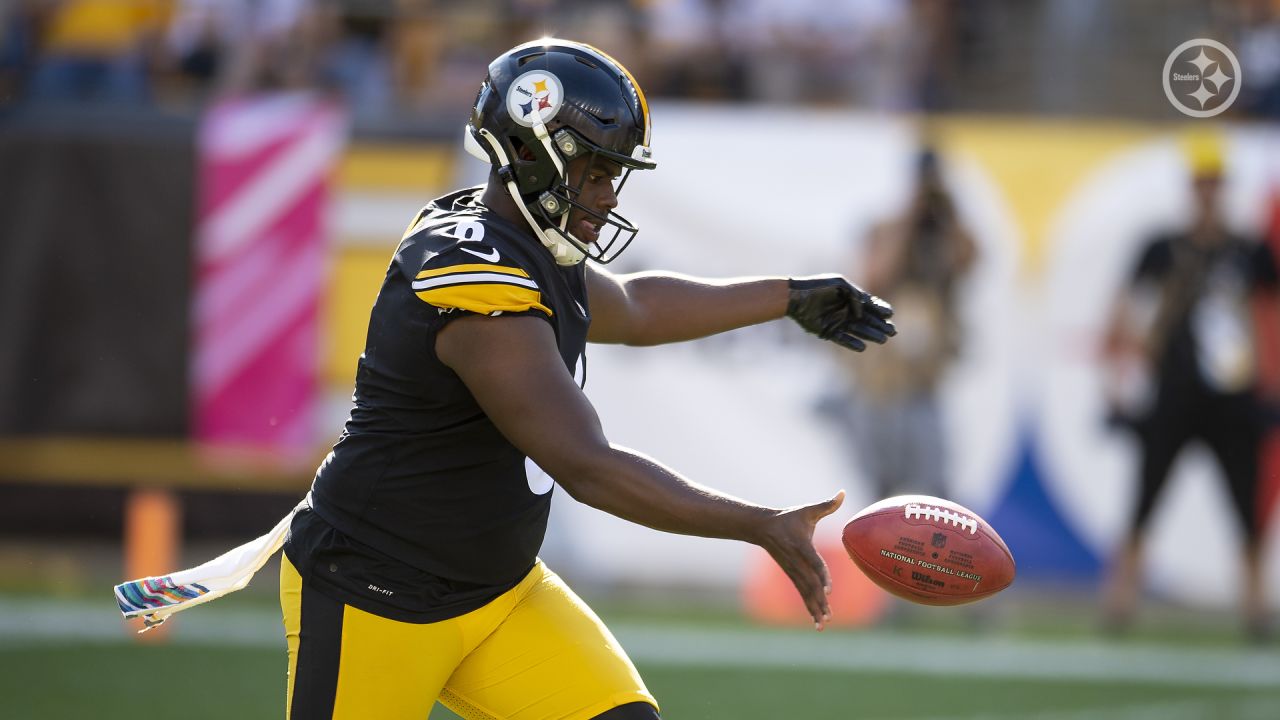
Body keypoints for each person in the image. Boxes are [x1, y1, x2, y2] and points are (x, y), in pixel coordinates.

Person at [276, 39, 895, 720]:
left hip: (497, 593)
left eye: (612, 175)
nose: (606, 195)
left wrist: (788, 295)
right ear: (531, 153)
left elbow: (634, 306)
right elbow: (586, 465)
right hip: (376, 588)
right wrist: (758, 525)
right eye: (593, 172)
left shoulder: (530, 235)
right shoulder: (480, 289)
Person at [1101, 133, 1275, 641]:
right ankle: (1120, 598)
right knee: (1145, 498)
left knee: (1246, 505)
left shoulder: (1247, 251)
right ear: (1190, 188)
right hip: (1173, 393)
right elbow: (1124, 311)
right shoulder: (1163, 248)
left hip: (1233, 396)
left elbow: (1267, 316)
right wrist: (1128, 365)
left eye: (1214, 184)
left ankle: (1255, 603)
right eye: (1201, 184)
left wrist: (1268, 381)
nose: (1208, 193)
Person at [830, 143, 975, 500]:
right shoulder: (888, 228)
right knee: (880, 488)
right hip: (880, 380)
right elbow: (876, 276)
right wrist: (910, 216)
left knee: (935, 485)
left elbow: (971, 261)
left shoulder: (946, 233)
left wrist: (949, 214)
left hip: (923, 383)